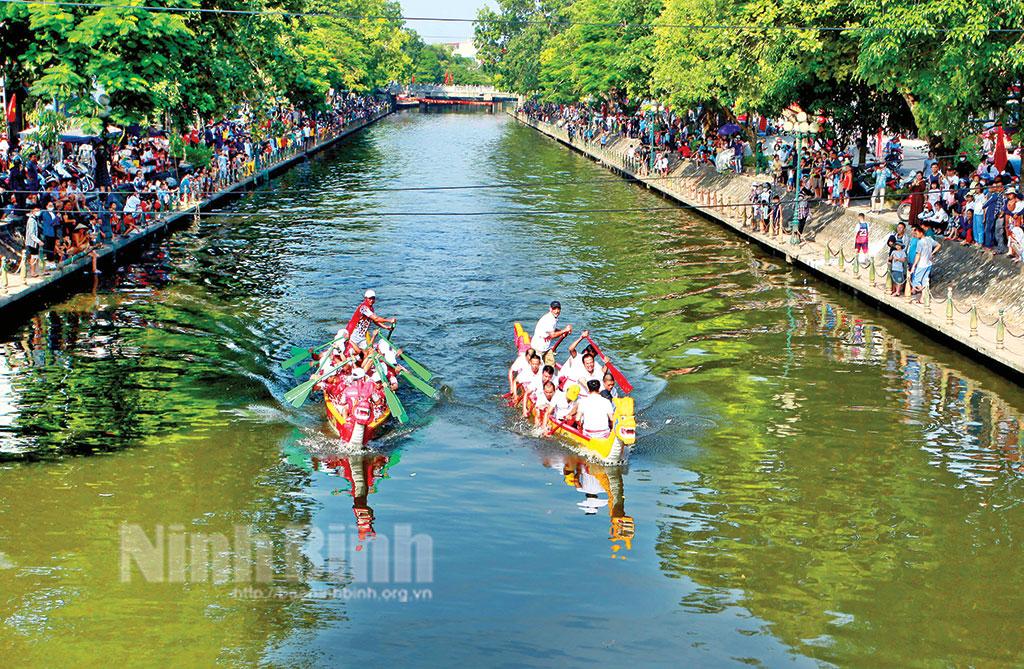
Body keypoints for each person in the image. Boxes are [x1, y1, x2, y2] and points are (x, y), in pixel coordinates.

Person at [531, 301, 572, 366]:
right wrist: (564, 330)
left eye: (558, 309)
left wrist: (562, 331)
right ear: (550, 309)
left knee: (551, 364)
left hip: (546, 348)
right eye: (554, 309)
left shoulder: (552, 317)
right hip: (538, 348)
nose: (556, 311)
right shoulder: (550, 319)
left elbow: (552, 329)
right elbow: (552, 335)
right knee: (538, 366)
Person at [909, 226, 941, 302]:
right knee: (925, 281)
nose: (916, 235)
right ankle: (923, 298)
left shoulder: (920, 242)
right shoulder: (929, 239)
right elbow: (939, 245)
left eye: (917, 233)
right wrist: (932, 253)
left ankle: (921, 293)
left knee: (916, 282)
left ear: (921, 232)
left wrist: (914, 265)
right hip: (928, 263)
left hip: (921, 264)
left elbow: (918, 255)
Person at [24, 206, 44, 277]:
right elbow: (31, 234)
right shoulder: (31, 220)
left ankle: (36, 270)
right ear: (32, 211)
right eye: (36, 210)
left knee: (36, 256)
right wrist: (39, 241)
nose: (38, 211)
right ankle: (32, 272)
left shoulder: (35, 219)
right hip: (32, 242)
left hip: (35, 241)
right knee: (34, 256)